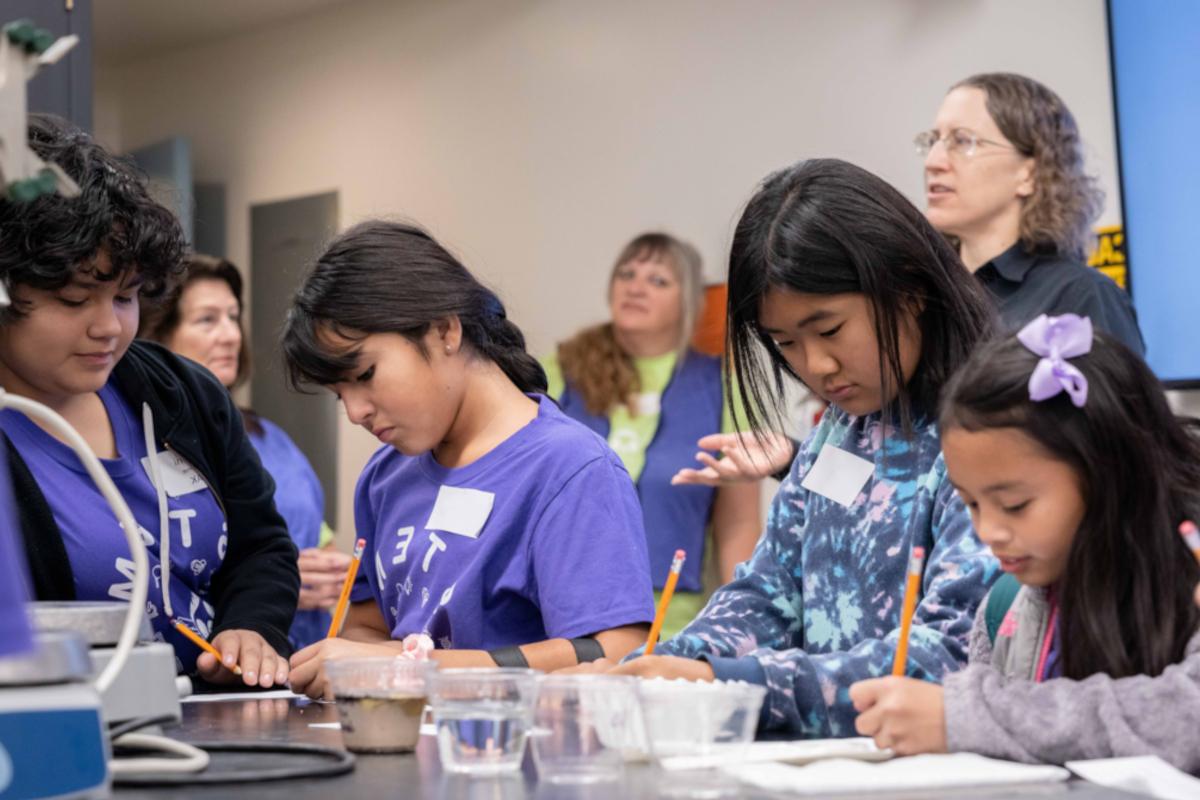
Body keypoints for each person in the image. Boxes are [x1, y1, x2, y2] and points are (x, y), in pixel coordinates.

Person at [571, 159, 999, 738]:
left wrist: (730, 683)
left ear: (910, 288)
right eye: (784, 343)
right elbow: (771, 591)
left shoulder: (996, 425)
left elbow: (951, 655)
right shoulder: (842, 428)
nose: (816, 367)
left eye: (829, 331)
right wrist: (673, 663)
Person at [280, 221, 656, 699]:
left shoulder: (569, 469)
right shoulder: (384, 477)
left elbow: (615, 652)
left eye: (366, 374)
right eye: (339, 395)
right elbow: (366, 631)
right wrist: (351, 664)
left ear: (444, 331)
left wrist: (413, 669)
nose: (356, 412)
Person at [0, 115, 298, 687]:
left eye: (127, 296)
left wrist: (252, 630)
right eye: (73, 298)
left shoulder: (179, 393)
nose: (108, 327)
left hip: (211, 719)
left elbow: (261, 547)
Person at [851, 314, 1200, 771]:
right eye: (972, 504)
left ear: (1109, 473)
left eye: (1014, 504)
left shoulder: (1189, 569)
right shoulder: (1006, 608)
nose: (988, 532)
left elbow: (1183, 718)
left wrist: (963, 719)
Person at [544, 233, 761, 636]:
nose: (636, 286)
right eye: (626, 274)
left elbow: (739, 523)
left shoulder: (721, 388)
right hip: (561, 606)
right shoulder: (559, 371)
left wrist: (746, 623)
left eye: (658, 280)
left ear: (690, 303)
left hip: (671, 614)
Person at [139, 254, 351, 650]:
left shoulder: (271, 439)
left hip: (301, 659)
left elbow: (311, 527)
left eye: (233, 317)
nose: (231, 335)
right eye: (207, 319)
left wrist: (327, 571)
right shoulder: (142, 442)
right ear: (158, 335)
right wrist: (273, 591)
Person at [918, 72, 1143, 353]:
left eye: (963, 141)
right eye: (933, 141)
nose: (933, 162)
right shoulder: (918, 297)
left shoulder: (1081, 297)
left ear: (1030, 174)